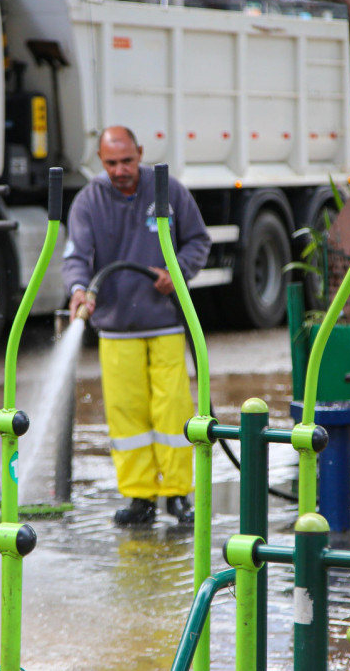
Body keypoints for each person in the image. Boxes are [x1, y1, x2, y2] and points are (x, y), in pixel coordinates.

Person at [63, 126, 211, 526]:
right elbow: (76, 256)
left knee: (173, 413)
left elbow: (198, 241)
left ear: (140, 153)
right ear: (100, 161)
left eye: (127, 160)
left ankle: (178, 494)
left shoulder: (168, 192)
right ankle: (139, 497)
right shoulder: (89, 201)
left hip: (164, 324)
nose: (120, 169)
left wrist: (176, 271)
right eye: (110, 163)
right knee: (127, 416)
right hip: (116, 330)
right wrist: (80, 290)